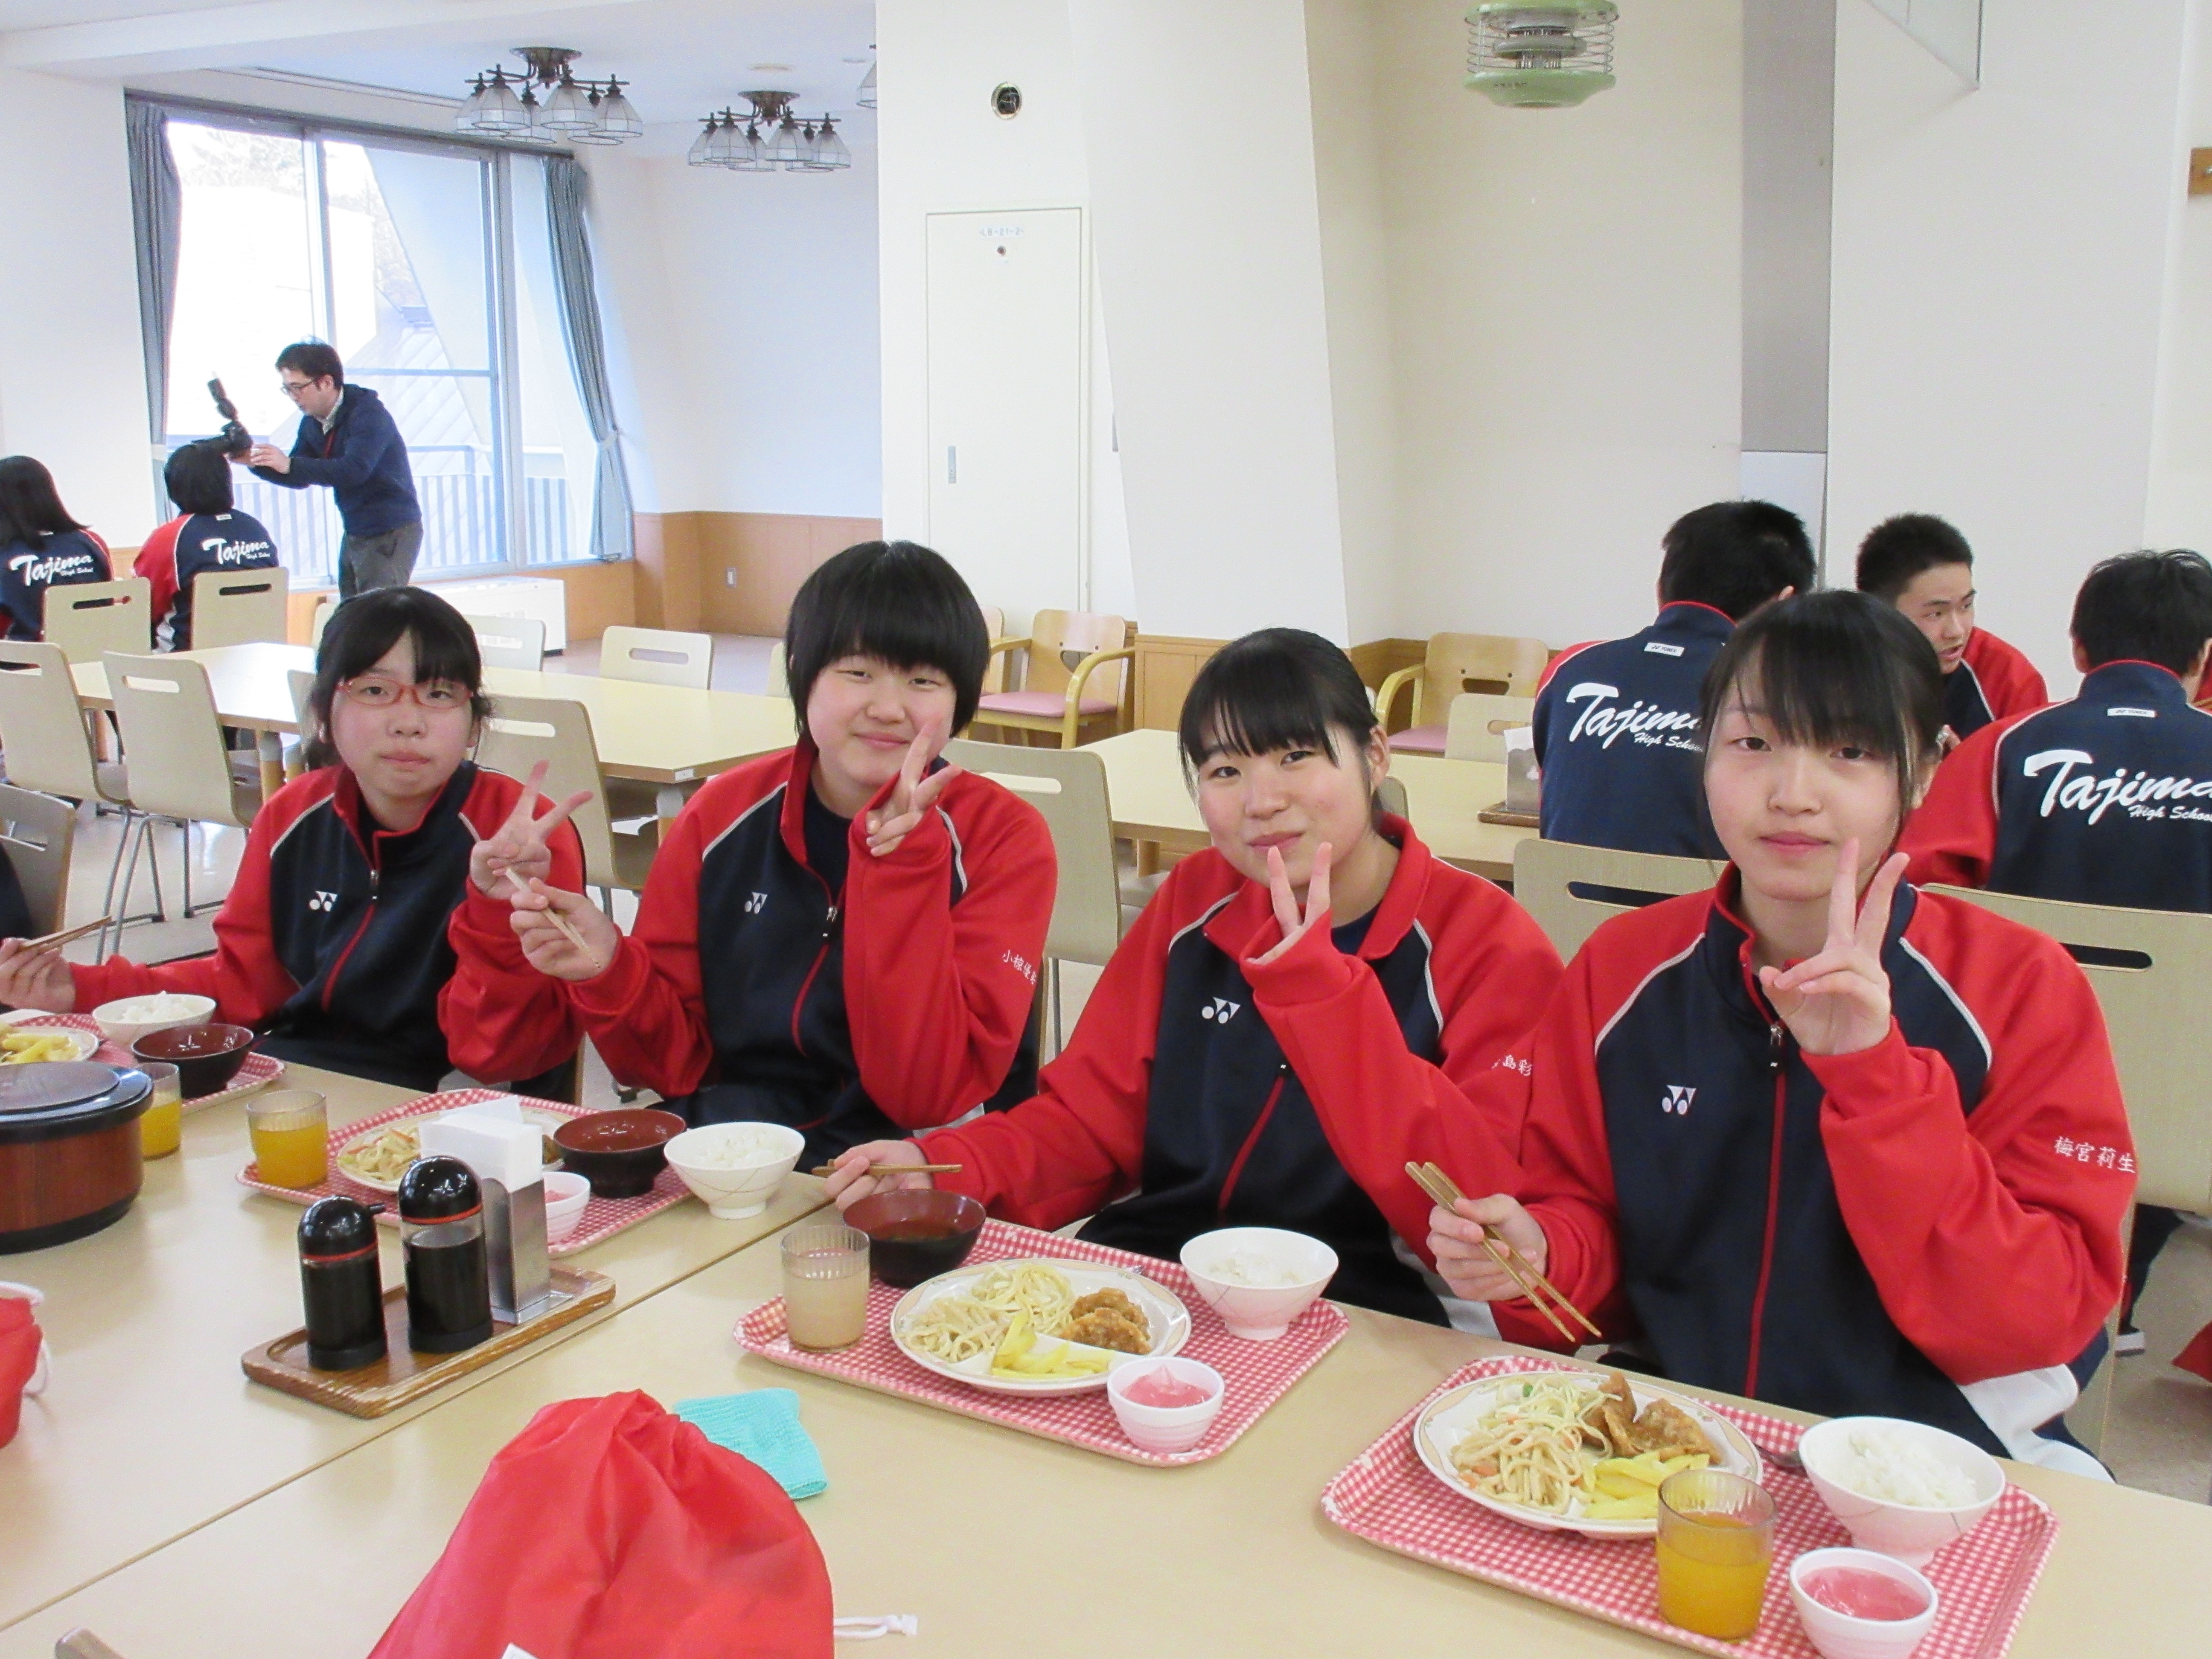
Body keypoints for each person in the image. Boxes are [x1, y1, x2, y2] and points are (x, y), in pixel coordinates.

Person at [1429, 591, 2131, 1471]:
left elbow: (2034, 1319)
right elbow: (1588, 1229)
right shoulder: (1621, 969)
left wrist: (1873, 1075)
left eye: (1849, 751)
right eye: (1753, 743)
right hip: (1682, 1442)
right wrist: (1542, 1254)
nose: (1792, 795)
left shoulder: (2020, 986)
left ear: (1922, 771)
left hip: (1935, 1460)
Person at [823, 628, 1565, 1326]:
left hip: (1367, 1307)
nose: (1262, 801)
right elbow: (1088, 1121)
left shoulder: (1485, 943)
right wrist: (944, 1167)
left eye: (1295, 756)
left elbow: (1479, 1211)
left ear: (1373, 755)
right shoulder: (1196, 899)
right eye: (1224, 771)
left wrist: (1325, 1001)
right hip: (1160, 1280)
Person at [499, 540, 1055, 1162]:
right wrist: (608, 967)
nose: (888, 708)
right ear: (801, 672)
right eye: (858, 672)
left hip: (914, 1161)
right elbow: (672, 1068)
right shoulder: (720, 816)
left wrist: (903, 870)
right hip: (742, 1146)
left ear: (962, 700)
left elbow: (926, 1097)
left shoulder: (1003, 838)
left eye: (923, 681)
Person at [0, 588, 587, 1092]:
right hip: (304, 1076)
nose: (408, 722)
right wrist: (80, 987)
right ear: (324, 712)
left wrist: (494, 909)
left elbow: (502, 1056)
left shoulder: (521, 836)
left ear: (473, 721)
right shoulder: (295, 814)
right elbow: (241, 986)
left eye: (439, 694)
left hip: (460, 1100)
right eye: (374, 691)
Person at [1902, 548, 2212, 1356]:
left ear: (2078, 647)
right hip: (2189, 1097)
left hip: (2012, 1079)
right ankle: (2127, 1290)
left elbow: (1919, 893)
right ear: (2203, 658)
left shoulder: (2003, 748)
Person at [1532, 499, 1815, 859]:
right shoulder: (1781, 690)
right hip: (1707, 897)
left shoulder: (1569, 669)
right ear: (1785, 605)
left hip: (1562, 893)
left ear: (1660, 589)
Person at [244, 343, 422, 600]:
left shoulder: (368, 414)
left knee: (377, 612)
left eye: (298, 387)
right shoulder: (312, 422)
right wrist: (254, 462)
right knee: (351, 608)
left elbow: (354, 470)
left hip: (390, 529)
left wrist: (290, 464)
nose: (293, 396)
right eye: (288, 389)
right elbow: (299, 476)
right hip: (356, 528)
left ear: (326, 382)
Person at [1857, 513, 2047, 748]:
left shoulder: (2008, 678)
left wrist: (1965, 767)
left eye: (1966, 606)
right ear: (1878, 612)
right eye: (1936, 614)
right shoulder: (1833, 670)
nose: (1956, 632)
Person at [138, 439, 279, 650]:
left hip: (189, 657)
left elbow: (144, 607)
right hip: (258, 652)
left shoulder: (170, 537)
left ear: (174, 486)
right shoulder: (255, 529)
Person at [0, 456, 112, 643]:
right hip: (97, 653)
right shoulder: (91, 542)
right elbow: (108, 601)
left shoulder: (5, 554)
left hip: (27, 659)